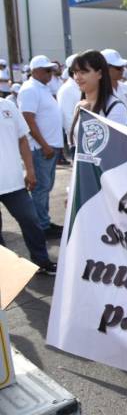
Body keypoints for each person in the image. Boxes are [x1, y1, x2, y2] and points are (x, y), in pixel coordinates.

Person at [0, 96, 57, 275]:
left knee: (31, 221)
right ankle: (5, 271)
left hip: (14, 182)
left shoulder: (7, 105)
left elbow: (23, 139)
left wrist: (30, 170)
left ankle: (41, 261)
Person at [18, 55, 65, 239]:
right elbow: (27, 120)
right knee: (41, 188)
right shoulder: (30, 89)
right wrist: (44, 145)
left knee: (45, 187)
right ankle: (41, 227)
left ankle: (43, 221)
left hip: (49, 146)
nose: (50, 73)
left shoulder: (42, 88)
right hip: (40, 148)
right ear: (35, 71)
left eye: (51, 70)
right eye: (47, 70)